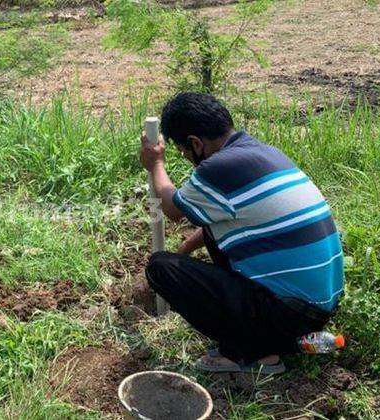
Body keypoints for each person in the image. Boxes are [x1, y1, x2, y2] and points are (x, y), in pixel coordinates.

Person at [139, 93, 344, 374]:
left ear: (196, 143)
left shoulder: (217, 168)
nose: (187, 158)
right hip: (316, 308)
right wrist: (187, 247)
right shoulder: (262, 152)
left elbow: (173, 209)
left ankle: (255, 354)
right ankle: (294, 341)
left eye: (184, 152)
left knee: (161, 268)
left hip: (289, 314)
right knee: (211, 237)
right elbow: (225, 222)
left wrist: (156, 165)